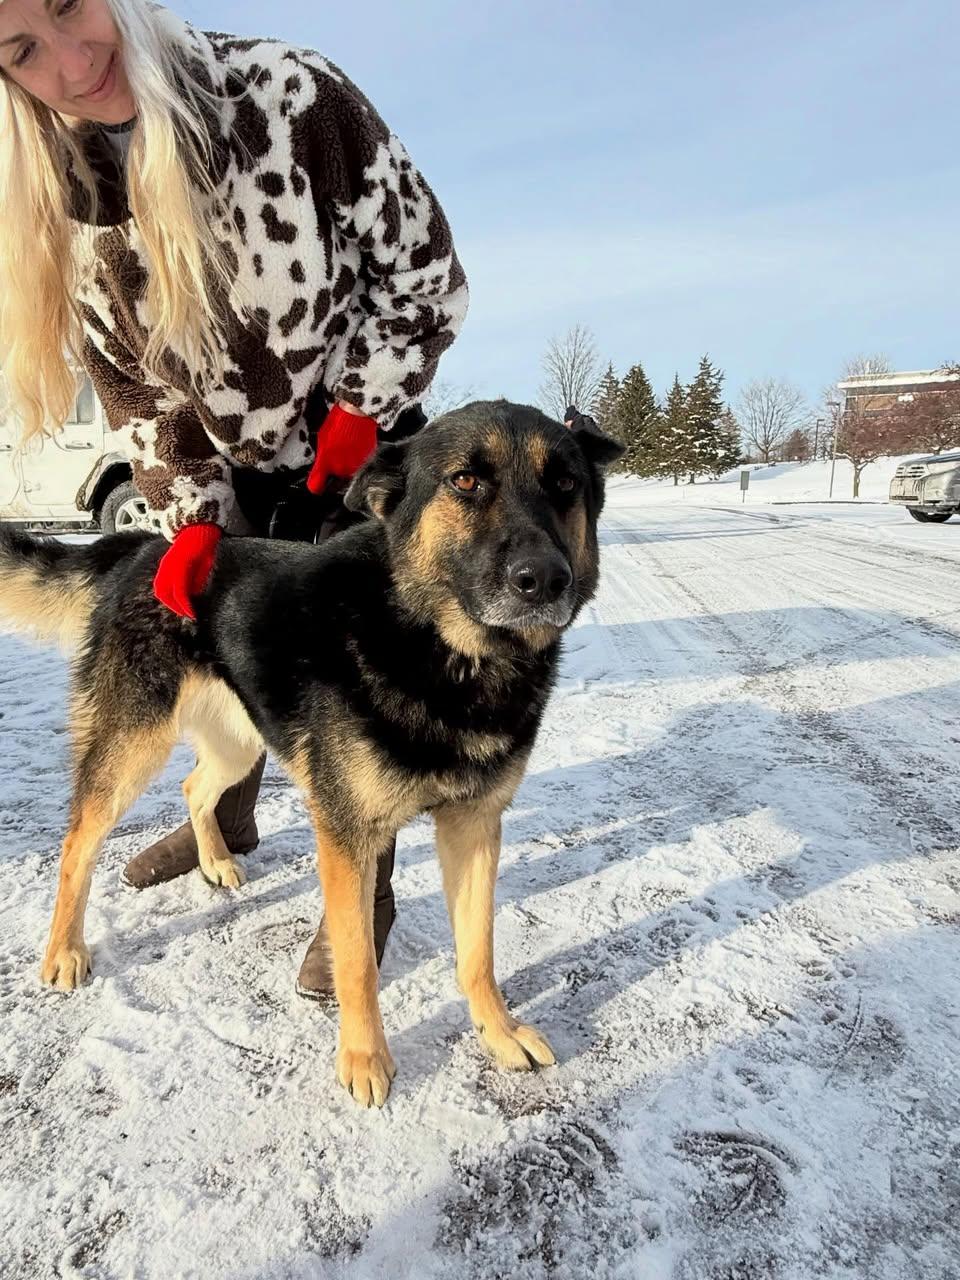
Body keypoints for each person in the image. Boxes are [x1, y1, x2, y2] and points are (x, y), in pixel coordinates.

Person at [0, 0, 468, 996]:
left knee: (357, 699)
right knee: (233, 645)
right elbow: (141, 399)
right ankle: (231, 808)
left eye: (70, 6)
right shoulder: (71, 206)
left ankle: (365, 890)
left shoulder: (290, 99)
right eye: (21, 50)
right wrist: (195, 517)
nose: (74, 60)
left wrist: (355, 413)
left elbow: (427, 278)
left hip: (369, 461)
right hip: (237, 474)